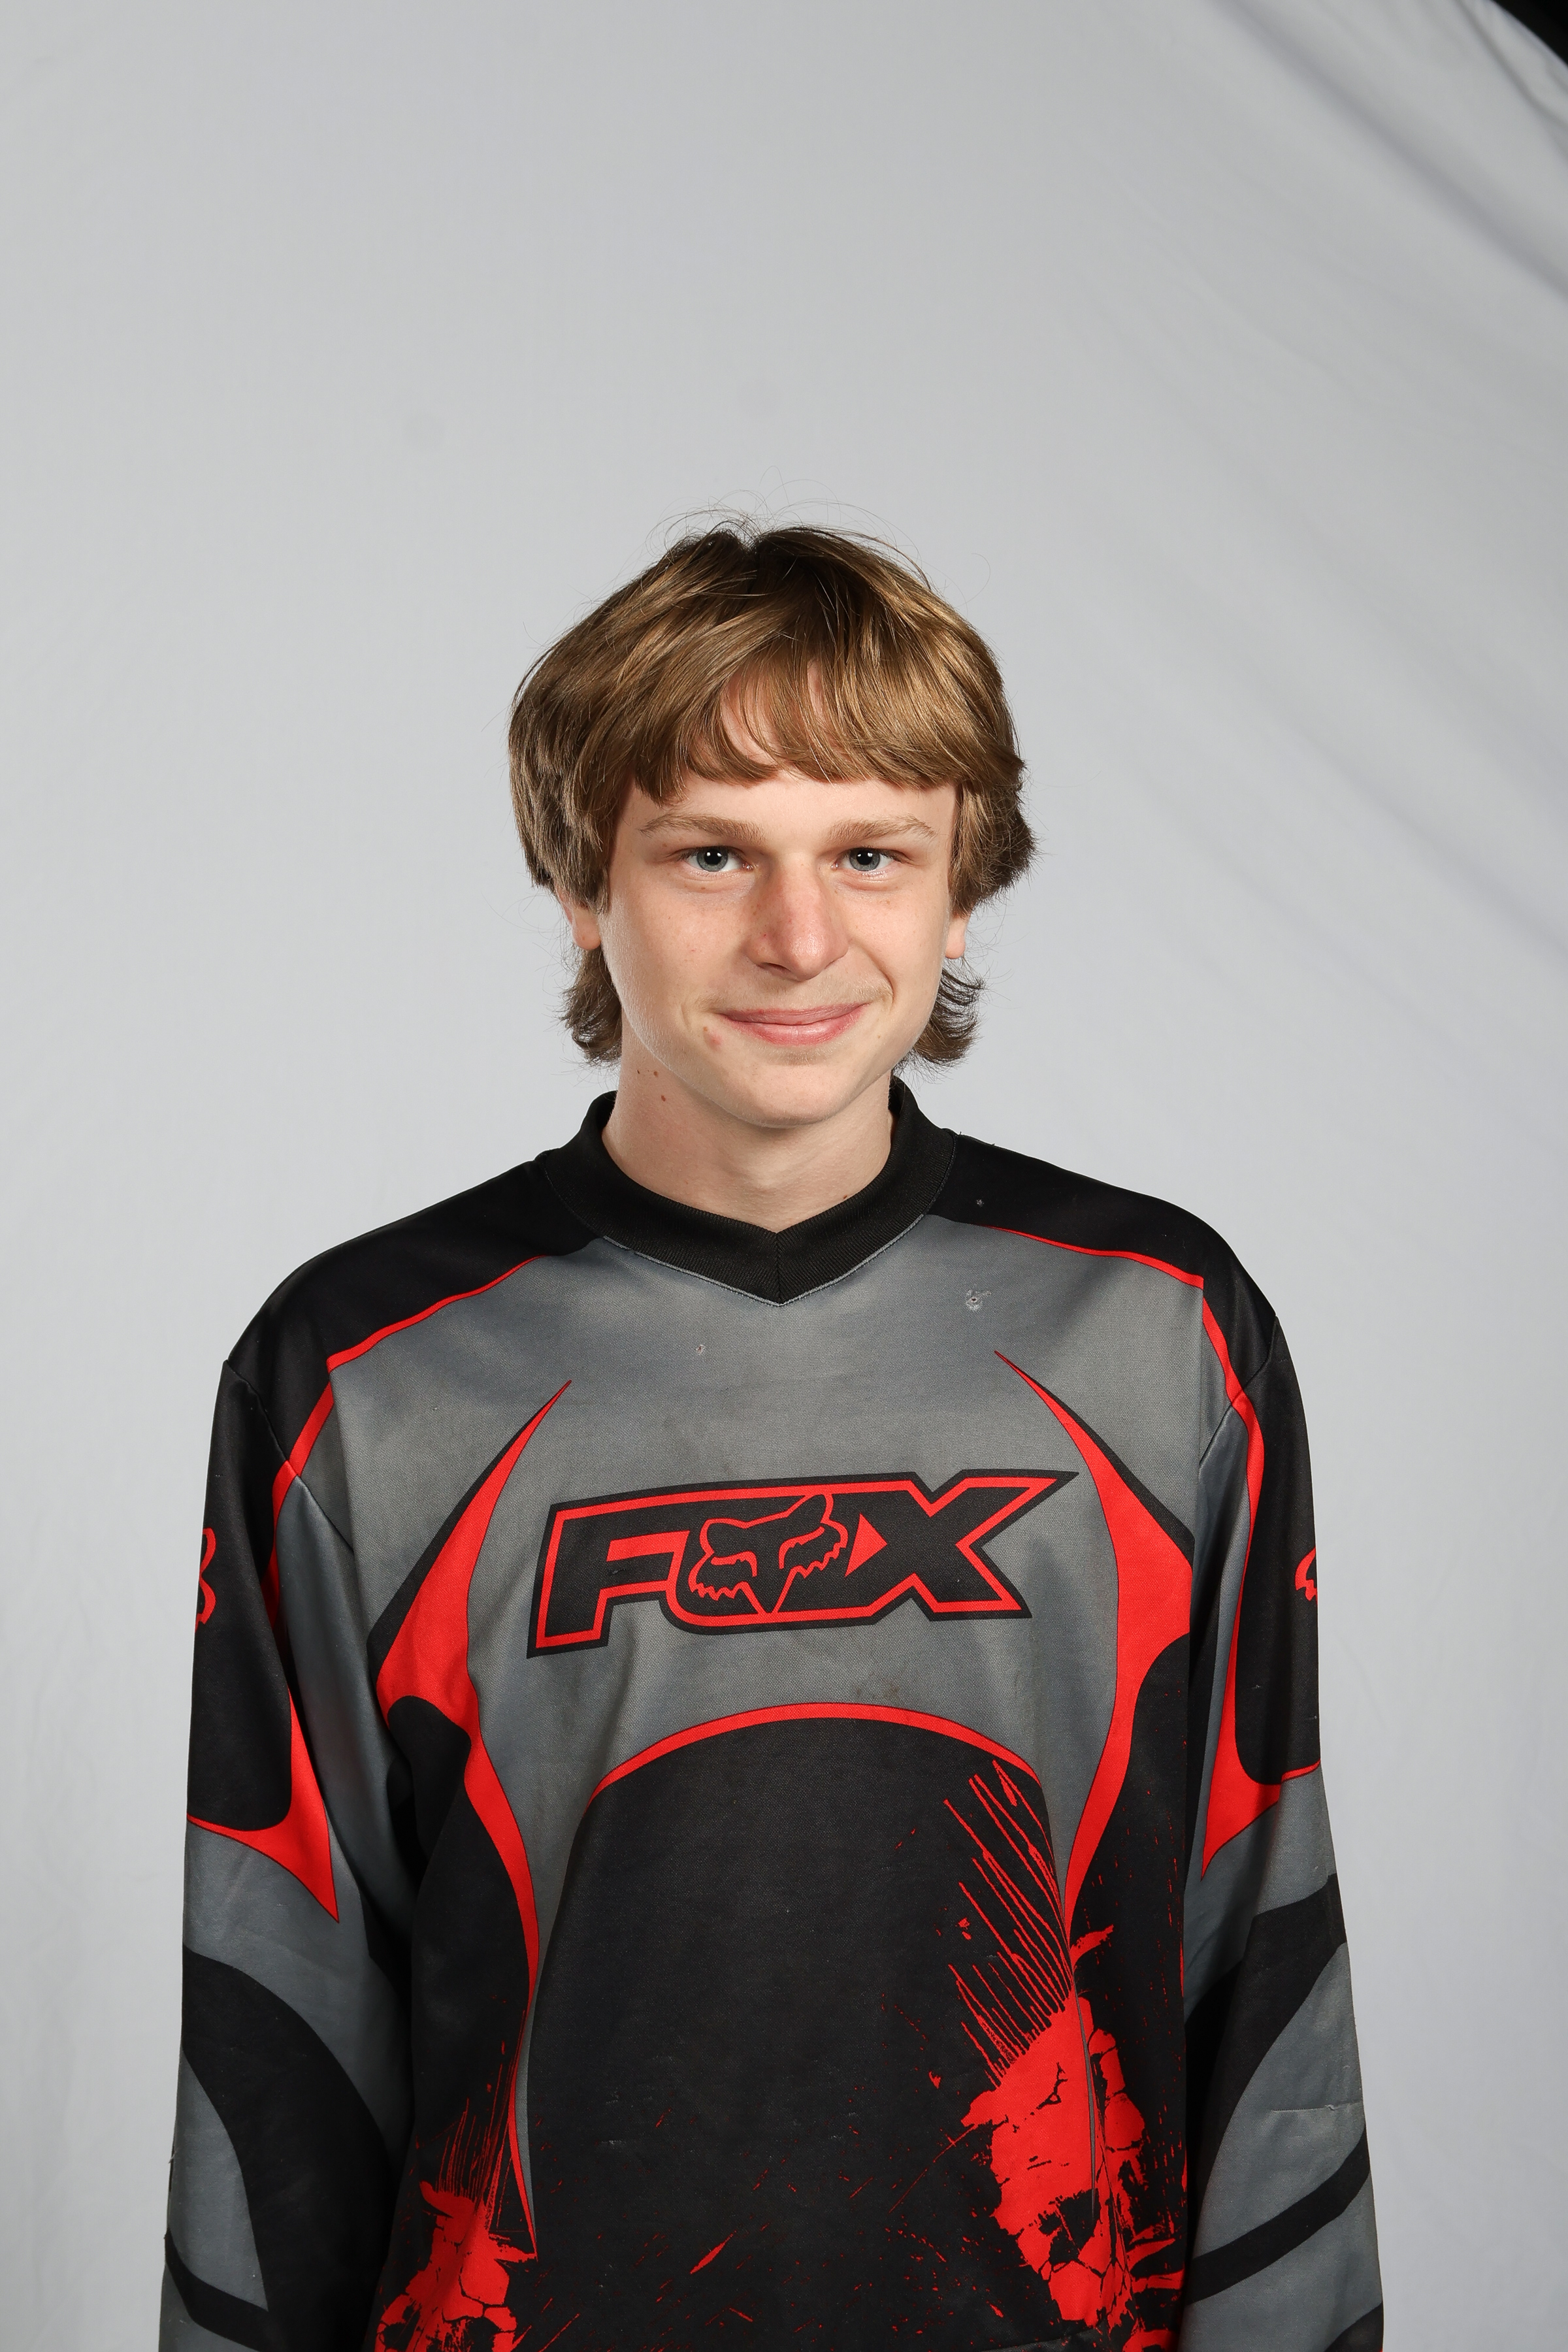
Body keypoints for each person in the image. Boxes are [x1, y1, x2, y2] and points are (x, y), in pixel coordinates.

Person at [161, 524, 1382, 2352]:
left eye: (870, 854)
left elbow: (1264, 1952)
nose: (799, 938)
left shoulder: (1156, 1334)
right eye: (712, 853)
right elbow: (279, 2023)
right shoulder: (367, 1372)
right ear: (584, 885)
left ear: (962, 891)